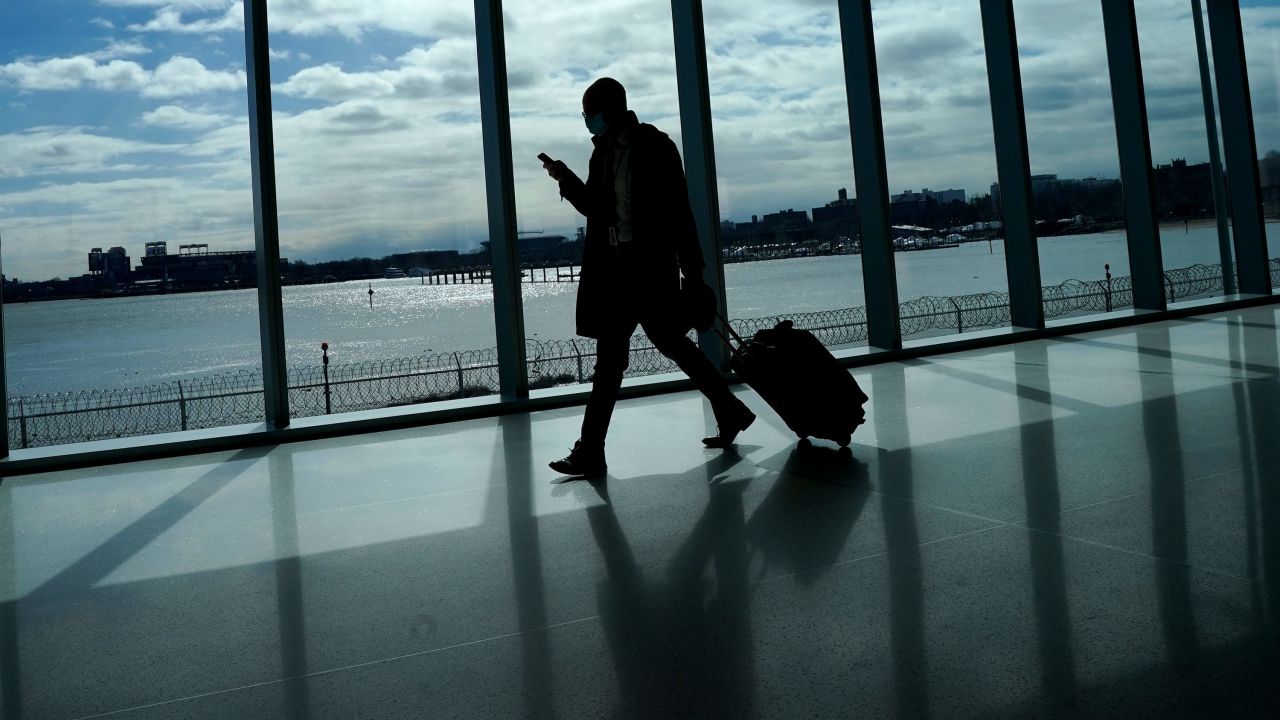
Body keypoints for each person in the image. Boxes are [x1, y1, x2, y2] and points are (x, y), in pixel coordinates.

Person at [543, 77, 755, 477]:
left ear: (610, 109)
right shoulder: (601, 154)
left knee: (620, 360)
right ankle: (730, 410)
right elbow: (599, 210)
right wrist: (565, 179)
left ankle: (591, 451)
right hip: (617, 270)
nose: (587, 120)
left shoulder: (656, 146)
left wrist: (693, 273)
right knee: (658, 348)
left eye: (590, 112)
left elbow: (679, 213)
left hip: (649, 267)